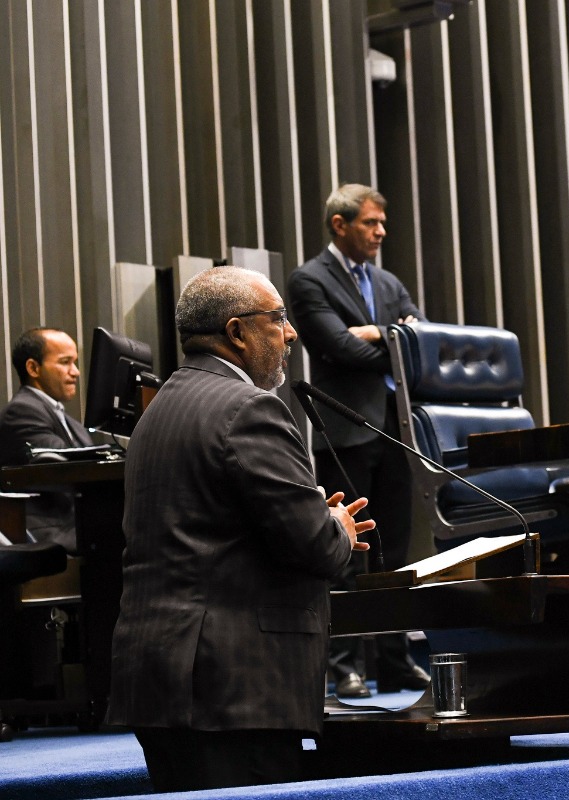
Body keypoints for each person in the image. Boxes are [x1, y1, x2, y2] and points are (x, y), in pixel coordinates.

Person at [106, 267, 375, 792]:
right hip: (235, 687)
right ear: (236, 333)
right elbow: (315, 547)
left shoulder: (159, 409)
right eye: (277, 319)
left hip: (160, 675)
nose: (291, 332)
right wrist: (336, 525)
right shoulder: (250, 409)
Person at [287, 183, 430, 698]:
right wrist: (390, 336)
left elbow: (423, 342)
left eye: (381, 223)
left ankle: (394, 661)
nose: (381, 232)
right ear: (339, 225)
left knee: (395, 553)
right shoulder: (308, 279)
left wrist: (374, 333)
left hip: (396, 426)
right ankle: (343, 664)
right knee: (345, 549)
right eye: (371, 223)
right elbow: (336, 347)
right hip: (343, 429)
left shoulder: (388, 281)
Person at [0, 328, 94, 551]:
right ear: (33, 368)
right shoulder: (22, 411)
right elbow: (68, 464)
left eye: (75, 362)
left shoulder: (71, 423)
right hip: (52, 530)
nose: (76, 372)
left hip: (78, 524)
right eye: (65, 362)